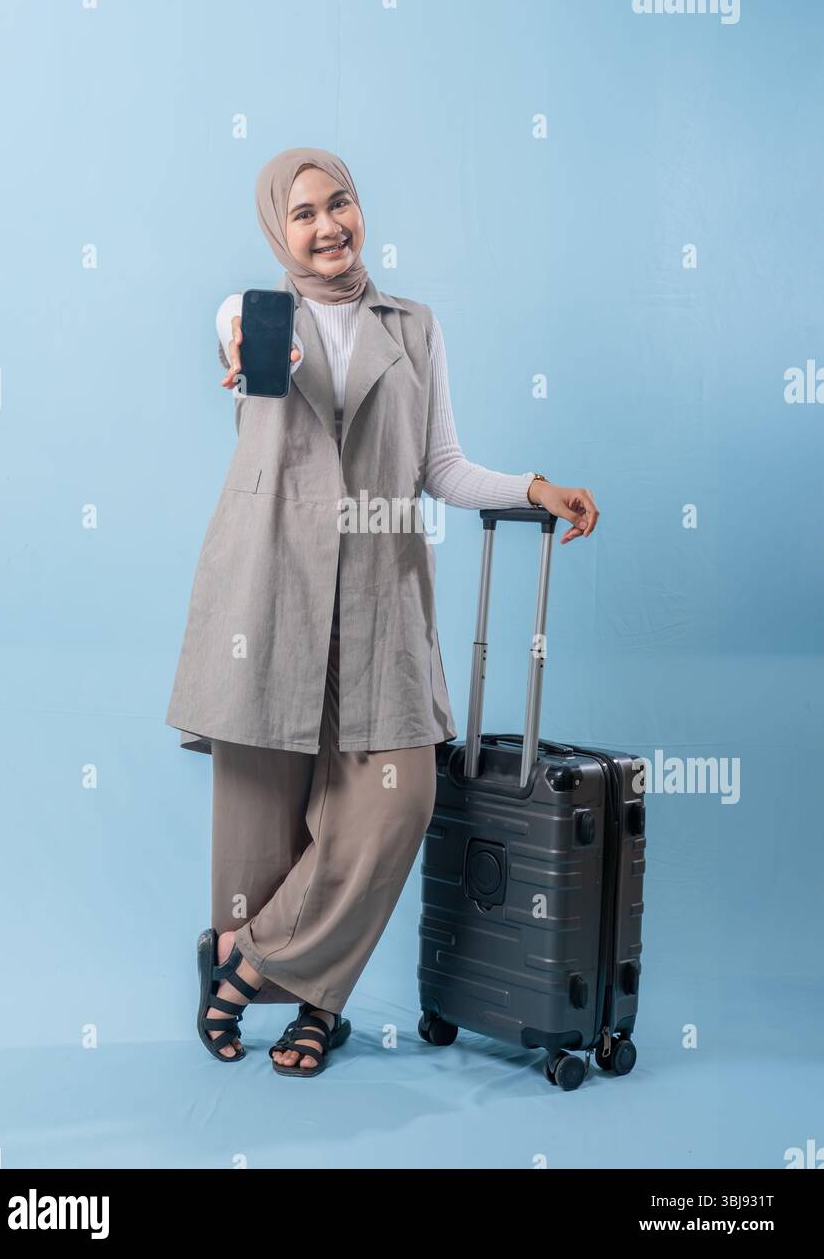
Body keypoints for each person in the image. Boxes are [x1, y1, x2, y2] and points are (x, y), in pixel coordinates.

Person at [166, 146, 599, 1073]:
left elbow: (441, 467)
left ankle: (251, 969)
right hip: (267, 591)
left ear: (362, 209)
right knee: (259, 823)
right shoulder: (260, 313)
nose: (328, 226)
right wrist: (236, 326)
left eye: (341, 203)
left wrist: (532, 486)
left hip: (379, 596)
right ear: (277, 232)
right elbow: (235, 327)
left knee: (396, 801)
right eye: (304, 214)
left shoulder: (415, 326)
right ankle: (308, 1005)